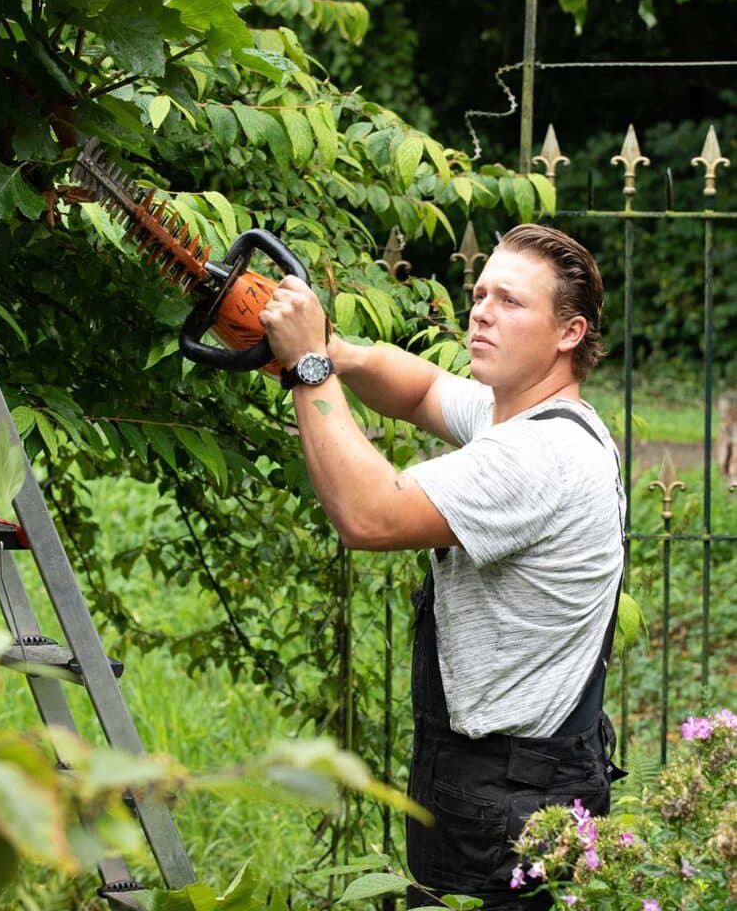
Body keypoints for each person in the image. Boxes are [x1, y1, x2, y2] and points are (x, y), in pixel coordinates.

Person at [259, 223, 626, 910]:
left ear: (568, 333)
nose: (481, 310)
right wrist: (334, 351)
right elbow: (424, 387)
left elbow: (369, 515)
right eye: (480, 293)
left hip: (506, 801)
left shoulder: (537, 457)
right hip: (506, 776)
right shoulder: (520, 417)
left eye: (510, 302)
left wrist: (307, 367)